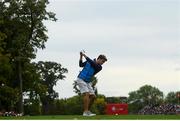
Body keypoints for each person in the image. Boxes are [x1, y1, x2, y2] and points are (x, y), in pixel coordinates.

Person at [75, 51, 107, 116]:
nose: (102, 63)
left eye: (103, 62)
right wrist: (81, 56)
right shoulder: (89, 61)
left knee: (93, 97)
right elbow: (80, 65)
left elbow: (92, 63)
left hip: (87, 81)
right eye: (102, 61)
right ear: (99, 59)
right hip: (81, 79)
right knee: (86, 94)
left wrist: (84, 55)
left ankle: (87, 111)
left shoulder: (99, 67)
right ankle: (85, 112)